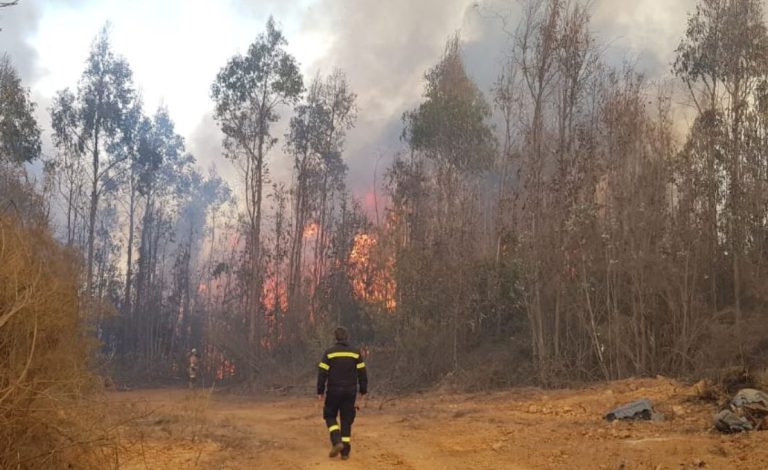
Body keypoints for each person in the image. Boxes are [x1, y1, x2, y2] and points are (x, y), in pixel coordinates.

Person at [317, 326, 368, 460]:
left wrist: (320, 390)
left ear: (335, 337)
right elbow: (362, 372)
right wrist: (363, 390)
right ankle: (345, 452)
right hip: (350, 391)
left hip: (333, 390)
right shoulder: (355, 353)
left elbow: (322, 373)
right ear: (347, 337)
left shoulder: (329, 353)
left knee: (329, 415)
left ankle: (336, 441)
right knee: (346, 420)